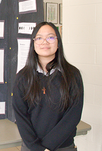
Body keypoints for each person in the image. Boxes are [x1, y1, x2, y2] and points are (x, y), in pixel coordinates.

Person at [14, 22, 84, 151]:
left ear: (58, 43)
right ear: (33, 43)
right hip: (32, 148)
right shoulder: (22, 77)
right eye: (39, 38)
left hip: (63, 146)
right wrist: (37, 148)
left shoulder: (72, 74)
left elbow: (73, 115)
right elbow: (20, 115)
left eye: (50, 37)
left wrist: (47, 147)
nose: (44, 42)